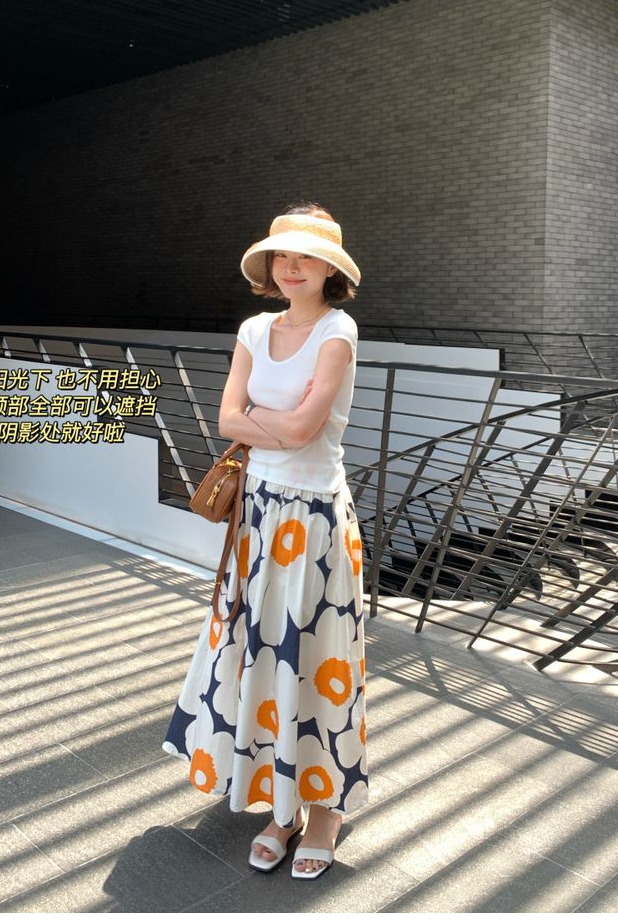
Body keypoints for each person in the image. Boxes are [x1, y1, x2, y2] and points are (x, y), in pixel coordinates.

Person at [162, 202, 367, 880]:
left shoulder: (337, 329)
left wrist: (264, 422)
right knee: (261, 652)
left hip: (313, 517)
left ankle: (324, 810)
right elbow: (227, 417)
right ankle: (283, 809)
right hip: (256, 512)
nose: (291, 266)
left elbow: (305, 430)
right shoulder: (253, 329)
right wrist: (278, 424)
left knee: (314, 654)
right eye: (282, 255)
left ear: (330, 268)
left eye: (306, 256)